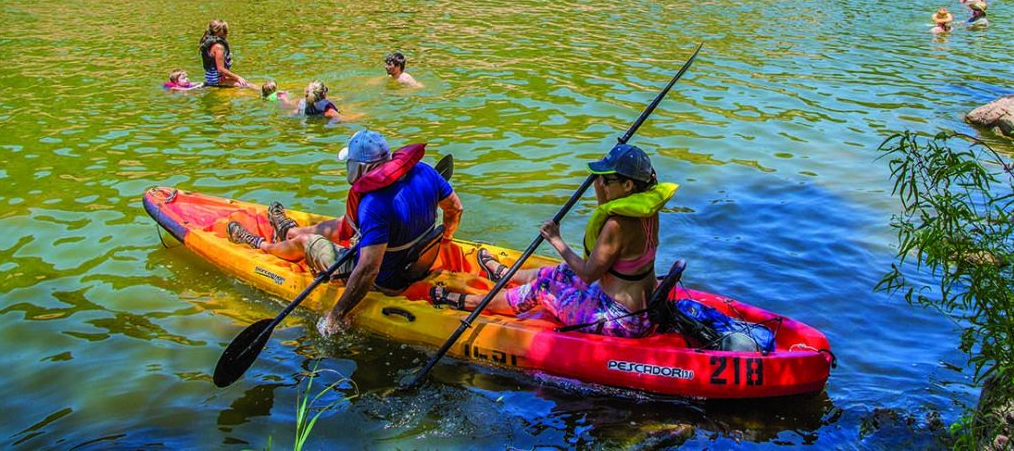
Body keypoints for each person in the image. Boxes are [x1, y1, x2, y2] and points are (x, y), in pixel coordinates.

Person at [430, 144, 677, 339]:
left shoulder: (618, 225)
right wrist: (600, 177)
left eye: (606, 180)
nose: (600, 184)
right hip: (638, 312)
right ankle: (505, 275)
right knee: (564, 271)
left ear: (627, 185)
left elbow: (589, 274)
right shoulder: (647, 213)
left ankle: (466, 301)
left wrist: (556, 239)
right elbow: (607, 209)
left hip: (620, 319)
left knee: (545, 288)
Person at [227, 130, 464, 333]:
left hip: (388, 281)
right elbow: (455, 209)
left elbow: (368, 270)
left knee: (307, 242)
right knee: (337, 227)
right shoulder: (425, 171)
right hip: (417, 265)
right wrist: (446, 242)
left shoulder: (374, 205)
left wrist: (336, 315)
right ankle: (289, 230)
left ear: (360, 167)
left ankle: (262, 245)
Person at [199, 20, 250, 88]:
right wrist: (238, 78)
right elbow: (221, 69)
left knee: (246, 82)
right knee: (247, 85)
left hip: (211, 79)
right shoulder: (218, 47)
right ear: (218, 32)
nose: (227, 33)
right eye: (225, 31)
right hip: (217, 81)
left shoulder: (210, 44)